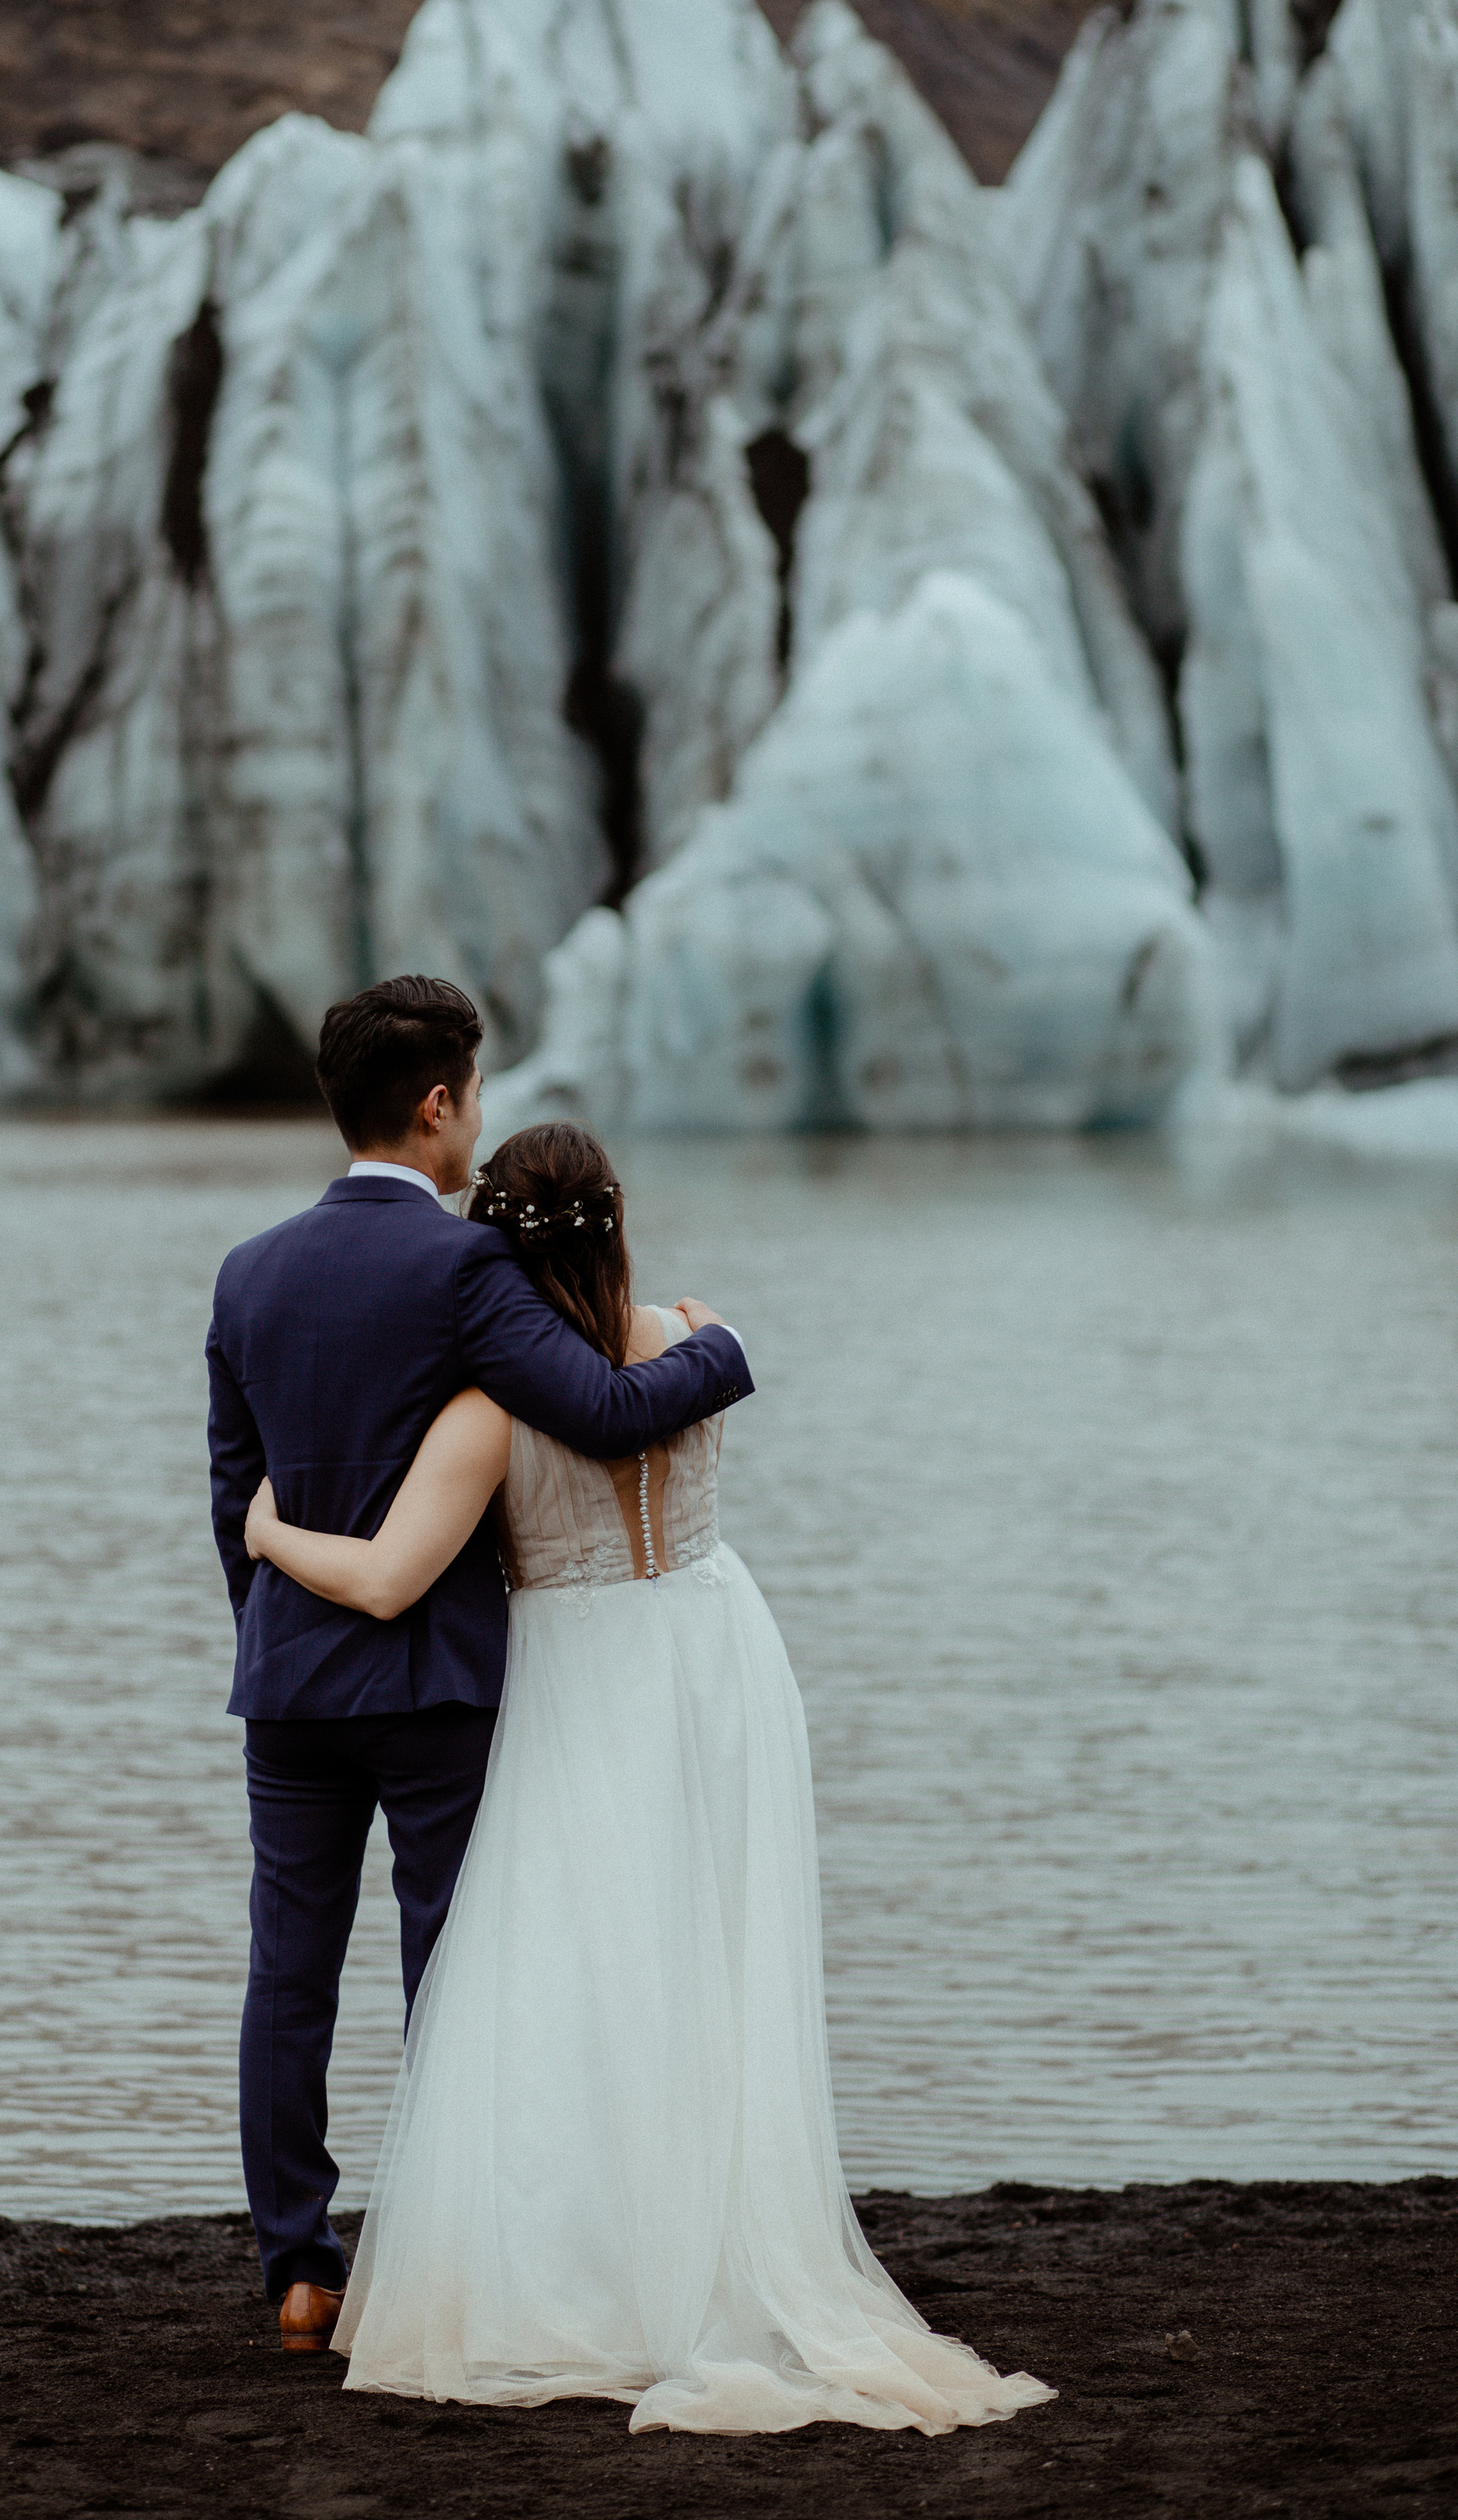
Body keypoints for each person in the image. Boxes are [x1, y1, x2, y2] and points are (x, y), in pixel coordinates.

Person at [243, 1119, 1056, 2436]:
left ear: (492, 1246)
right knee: (707, 1968)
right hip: (716, 1653)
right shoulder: (696, 1328)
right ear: (617, 1219)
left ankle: (581, 2263)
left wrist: (272, 1530)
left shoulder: (486, 1410)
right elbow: (652, 1409)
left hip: (579, 1679)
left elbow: (390, 1579)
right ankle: (712, 2238)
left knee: (564, 1968)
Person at [205, 976, 752, 2351]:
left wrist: (270, 1637)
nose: (480, 1121)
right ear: (439, 1105)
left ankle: (297, 2272)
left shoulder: (249, 1272)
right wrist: (725, 1352)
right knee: (456, 1971)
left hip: (291, 1684)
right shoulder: (468, 1269)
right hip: (438, 1682)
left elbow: (236, 1496)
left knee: (289, 1970)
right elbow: (602, 1411)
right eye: (478, 1094)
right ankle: (461, 2252)